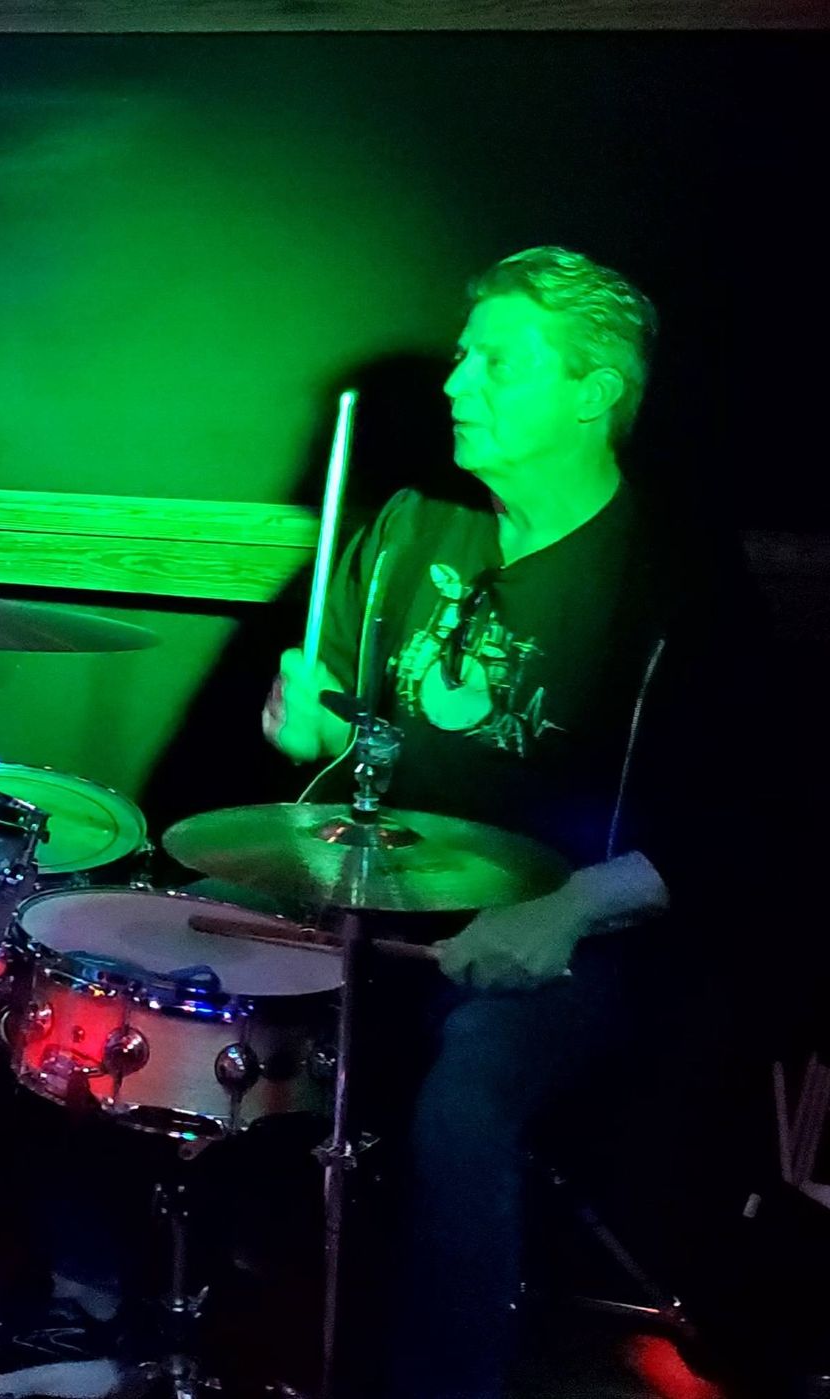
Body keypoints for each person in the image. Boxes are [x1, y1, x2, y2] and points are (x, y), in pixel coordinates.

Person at [261, 246, 751, 1397]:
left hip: (572, 932)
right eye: (460, 356)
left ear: (593, 390)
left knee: (465, 1092)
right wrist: (309, 725)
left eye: (496, 361)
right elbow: (353, 739)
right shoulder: (408, 527)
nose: (455, 382)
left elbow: (741, 820)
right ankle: (157, 1314)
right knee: (152, 969)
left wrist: (574, 906)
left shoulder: (676, 578)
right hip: (382, 899)